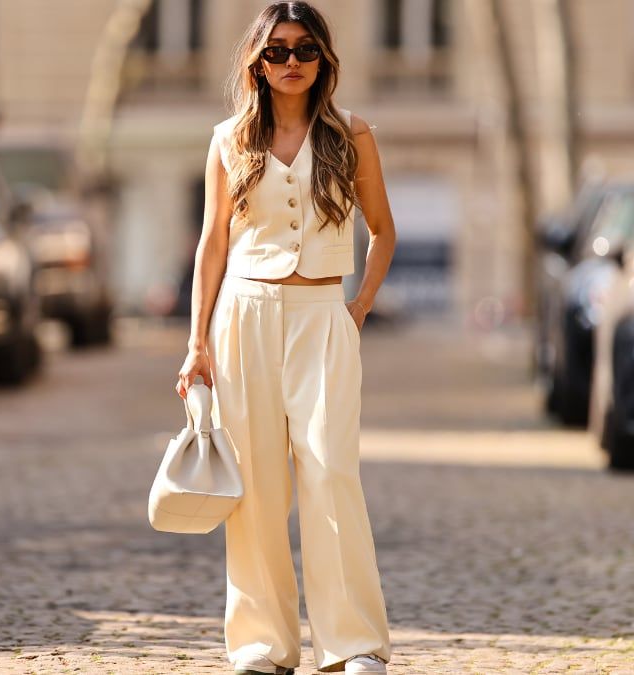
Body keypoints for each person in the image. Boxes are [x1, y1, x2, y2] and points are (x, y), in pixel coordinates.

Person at [175, 3, 396, 673]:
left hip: (322, 318)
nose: (291, 62)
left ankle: (353, 643)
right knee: (259, 490)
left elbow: (383, 231)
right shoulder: (227, 140)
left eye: (304, 50)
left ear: (324, 60)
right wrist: (197, 343)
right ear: (256, 63)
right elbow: (212, 244)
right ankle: (262, 644)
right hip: (244, 317)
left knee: (332, 473)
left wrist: (355, 308)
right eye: (277, 51)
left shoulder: (353, 134)